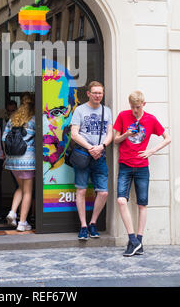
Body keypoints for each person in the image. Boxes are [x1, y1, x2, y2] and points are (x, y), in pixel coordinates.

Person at [113, 90, 171, 256]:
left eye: (137, 107)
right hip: (125, 164)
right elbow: (115, 140)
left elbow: (168, 138)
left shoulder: (150, 119)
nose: (135, 111)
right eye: (132, 107)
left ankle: (139, 241)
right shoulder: (123, 116)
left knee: (142, 204)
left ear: (143, 105)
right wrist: (126, 134)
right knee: (121, 201)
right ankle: (133, 240)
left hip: (142, 167)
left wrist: (151, 151)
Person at [71, 81, 113, 240]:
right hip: (83, 154)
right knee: (81, 190)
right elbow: (74, 134)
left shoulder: (107, 111)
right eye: (95, 93)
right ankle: (83, 226)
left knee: (103, 192)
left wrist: (101, 146)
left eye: (100, 93)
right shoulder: (80, 110)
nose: (97, 96)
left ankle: (93, 223)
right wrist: (90, 147)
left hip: (100, 155)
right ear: (88, 93)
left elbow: (110, 133)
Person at [2, 92, 35, 232]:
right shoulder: (34, 119)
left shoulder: (12, 119)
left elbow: (4, 139)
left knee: (20, 188)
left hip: (13, 161)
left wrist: (6, 156)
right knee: (28, 192)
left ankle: (12, 212)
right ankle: (22, 223)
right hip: (27, 161)